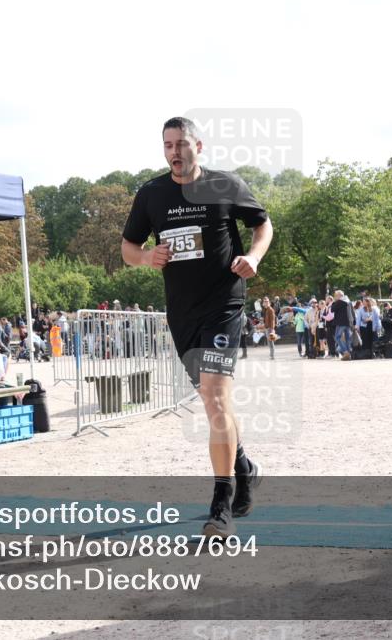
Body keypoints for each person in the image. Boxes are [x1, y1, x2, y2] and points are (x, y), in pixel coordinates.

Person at [121, 116, 272, 538]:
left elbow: (263, 224)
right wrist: (147, 257)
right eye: (168, 145)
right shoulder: (151, 194)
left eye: (181, 144)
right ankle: (244, 467)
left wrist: (254, 257)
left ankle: (220, 505)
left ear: (198, 146)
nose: (175, 151)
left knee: (216, 398)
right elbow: (128, 248)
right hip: (181, 313)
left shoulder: (225, 185)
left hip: (223, 303)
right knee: (212, 401)